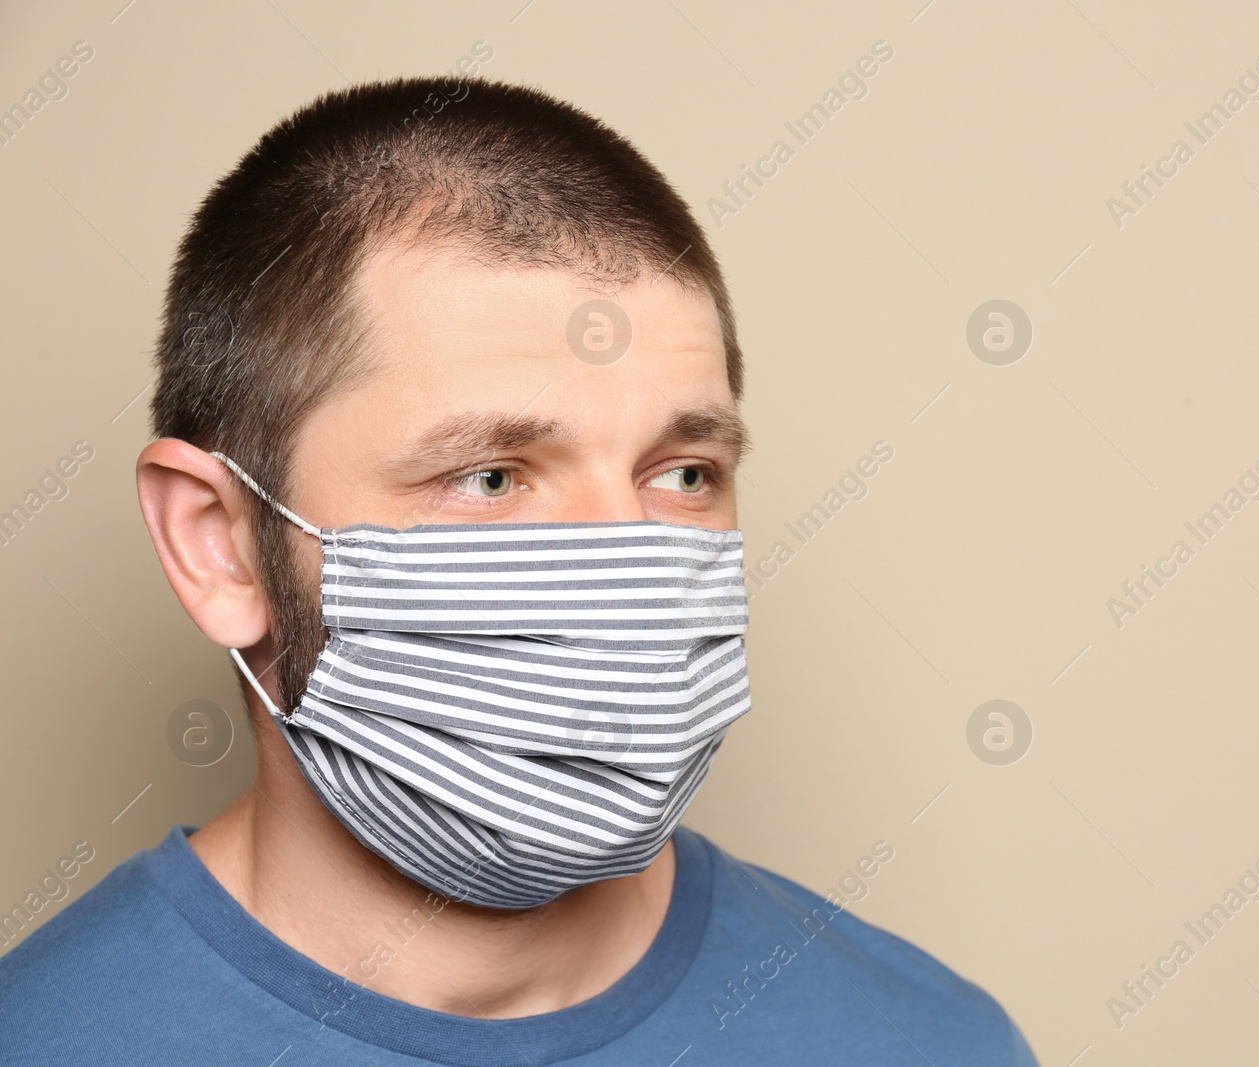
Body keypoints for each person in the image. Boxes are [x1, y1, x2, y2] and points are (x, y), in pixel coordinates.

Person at [0, 75, 1038, 1065]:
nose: (624, 566)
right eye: (491, 476)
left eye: (683, 472)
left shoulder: (934, 1041)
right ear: (218, 543)